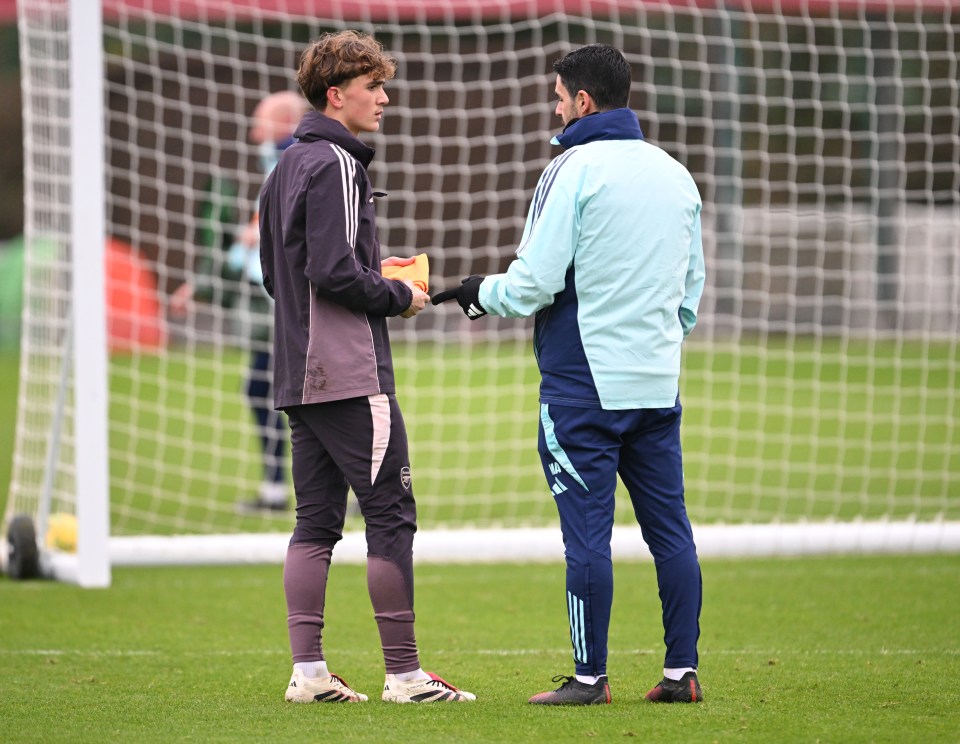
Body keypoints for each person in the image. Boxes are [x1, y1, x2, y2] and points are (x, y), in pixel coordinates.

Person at [432, 44, 706, 706]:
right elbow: (690, 294)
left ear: (583, 101)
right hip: (655, 384)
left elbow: (534, 282)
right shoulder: (677, 176)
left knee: (588, 536)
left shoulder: (572, 169)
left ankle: (590, 678)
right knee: (671, 529)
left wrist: (475, 292)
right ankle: (681, 673)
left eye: (558, 96)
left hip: (582, 388)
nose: (555, 108)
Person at [258, 30, 476, 704]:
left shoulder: (284, 165)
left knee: (314, 521)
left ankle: (309, 674)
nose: (383, 97)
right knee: (390, 514)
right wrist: (396, 295)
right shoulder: (337, 163)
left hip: (297, 373)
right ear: (336, 93)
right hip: (350, 375)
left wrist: (367, 276)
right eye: (372, 86)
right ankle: (407, 677)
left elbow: (281, 276)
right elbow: (329, 270)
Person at [171, 91, 310, 512]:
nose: (253, 131)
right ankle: (279, 489)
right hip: (273, 298)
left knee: (302, 395)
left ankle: (298, 489)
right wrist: (200, 284)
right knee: (269, 390)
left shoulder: (295, 155)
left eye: (261, 121)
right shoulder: (278, 160)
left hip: (291, 302)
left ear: (285, 123)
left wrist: (263, 230)